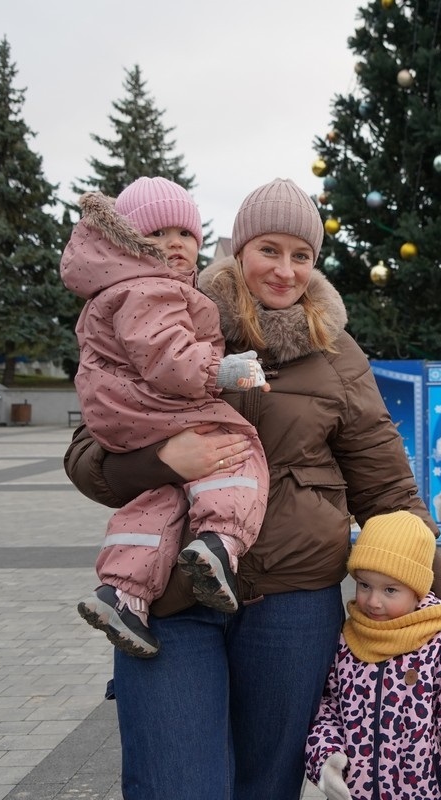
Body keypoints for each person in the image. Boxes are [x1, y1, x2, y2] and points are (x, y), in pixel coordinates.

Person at [63, 177, 441, 800]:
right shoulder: (170, 318)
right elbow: (85, 453)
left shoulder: (337, 355)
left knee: (269, 786)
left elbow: (386, 489)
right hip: (174, 598)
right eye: (269, 250)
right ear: (238, 250)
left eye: (302, 255)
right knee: (175, 784)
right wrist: (163, 461)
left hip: (293, 606)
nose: (285, 271)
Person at [60, 177, 270, 659]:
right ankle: (220, 541)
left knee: (158, 499)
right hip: (149, 405)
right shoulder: (150, 288)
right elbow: (167, 357)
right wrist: (224, 370)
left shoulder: (120, 286)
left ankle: (123, 592)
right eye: (156, 234)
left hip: (120, 414)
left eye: (185, 234)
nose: (173, 243)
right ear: (128, 242)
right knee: (236, 447)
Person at [305, 511, 441, 800]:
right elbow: (328, 709)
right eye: (364, 585)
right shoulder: (348, 640)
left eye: (390, 590)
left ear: (418, 591)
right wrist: (326, 758)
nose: (373, 601)